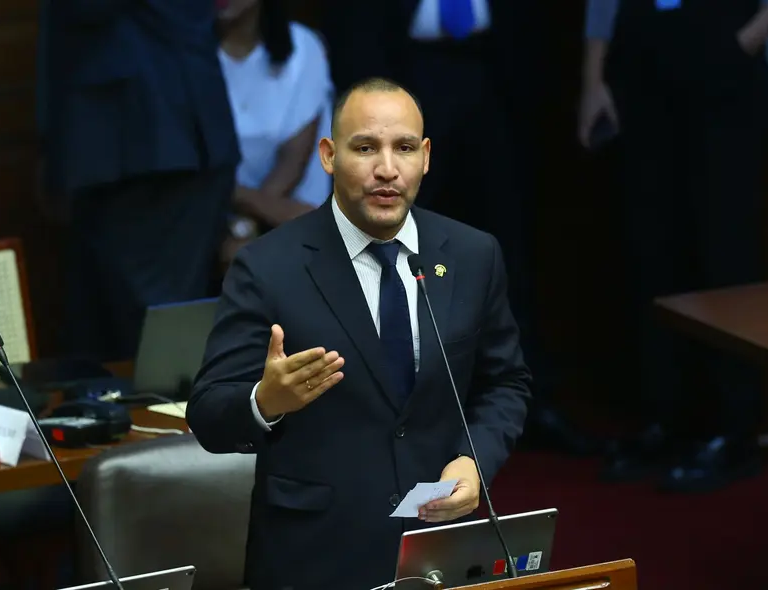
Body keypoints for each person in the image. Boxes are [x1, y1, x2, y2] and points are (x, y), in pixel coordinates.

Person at [186, 77, 531, 589]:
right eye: (365, 147)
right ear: (328, 155)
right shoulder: (267, 266)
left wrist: (473, 459)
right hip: (313, 557)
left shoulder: (473, 255)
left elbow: (505, 383)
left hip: (434, 547)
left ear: (426, 157)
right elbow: (209, 413)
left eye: (404, 148)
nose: (386, 169)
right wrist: (266, 400)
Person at [320, 1, 599, 456]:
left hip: (499, 72)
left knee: (511, 248)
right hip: (402, 74)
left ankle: (526, 404)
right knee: (393, 247)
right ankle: (391, 413)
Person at [578, 0, 768, 492]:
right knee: (652, 251)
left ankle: (733, 430)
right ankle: (668, 420)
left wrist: (743, 41)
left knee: (725, 252)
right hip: (639, 56)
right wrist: (593, 78)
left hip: (722, 47)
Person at [39, 0, 240, 361]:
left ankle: (172, 416)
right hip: (156, 135)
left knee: (149, 332)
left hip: (151, 142)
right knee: (126, 327)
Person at [214, 0, 334, 270]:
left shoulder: (304, 47)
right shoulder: (182, 53)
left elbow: (293, 161)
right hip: (210, 216)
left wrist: (246, 226)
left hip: (287, 213)